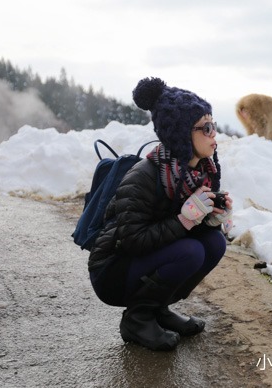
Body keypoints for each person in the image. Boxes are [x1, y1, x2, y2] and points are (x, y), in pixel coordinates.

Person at [87, 76, 232, 351]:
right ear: (181, 134)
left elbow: (185, 230)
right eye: (207, 128)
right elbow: (132, 239)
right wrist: (186, 219)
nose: (214, 135)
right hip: (113, 270)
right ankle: (137, 318)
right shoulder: (144, 176)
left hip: (143, 259)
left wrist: (211, 218)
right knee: (190, 252)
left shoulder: (198, 172)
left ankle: (157, 309)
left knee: (214, 244)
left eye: (214, 125)